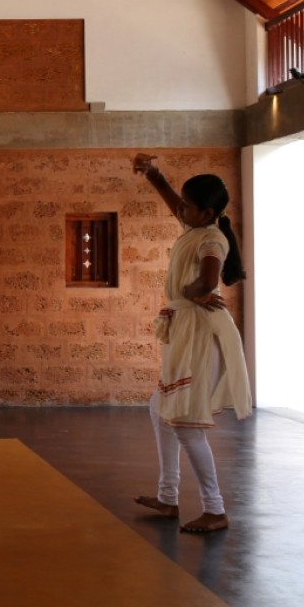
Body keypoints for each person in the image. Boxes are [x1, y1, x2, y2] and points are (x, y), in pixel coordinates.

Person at [131, 154, 252, 533]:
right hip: (185, 327)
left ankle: (215, 510)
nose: (181, 209)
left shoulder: (212, 238)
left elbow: (208, 278)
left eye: (189, 205)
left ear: (208, 211)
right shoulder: (196, 227)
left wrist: (192, 291)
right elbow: (172, 200)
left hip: (199, 332)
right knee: (159, 407)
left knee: (184, 422)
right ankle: (168, 498)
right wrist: (153, 174)